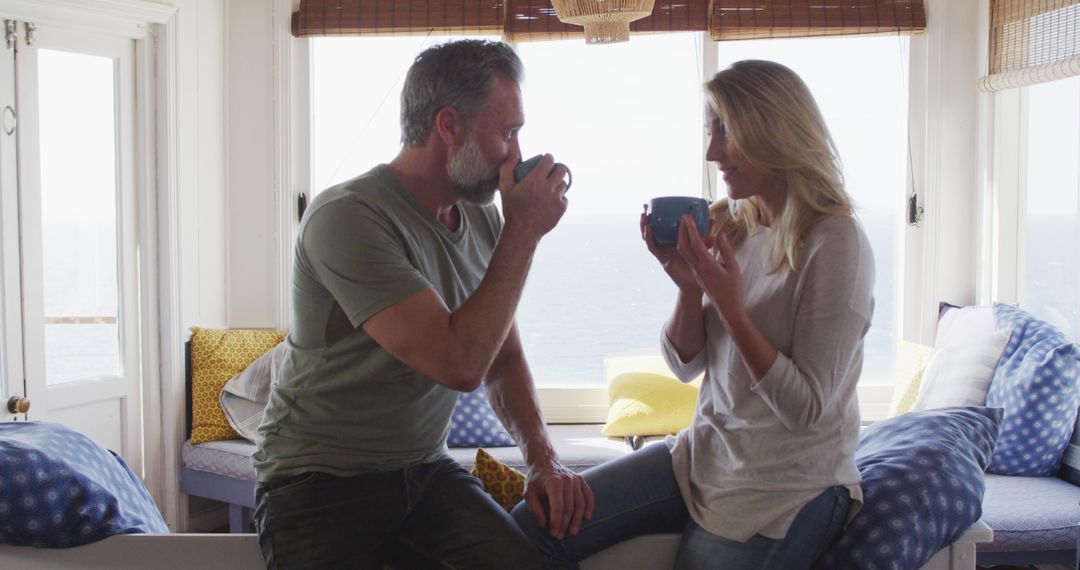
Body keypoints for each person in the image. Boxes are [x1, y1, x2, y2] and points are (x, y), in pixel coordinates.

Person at [512, 59, 875, 569]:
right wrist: (688, 286)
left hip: (786, 487)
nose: (712, 152)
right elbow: (685, 365)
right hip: (702, 457)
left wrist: (730, 307)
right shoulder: (732, 224)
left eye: (725, 131)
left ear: (772, 129)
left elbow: (805, 408)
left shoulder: (836, 243)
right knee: (528, 529)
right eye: (711, 131)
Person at [252, 39, 594, 570]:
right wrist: (525, 231)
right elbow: (459, 363)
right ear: (449, 126)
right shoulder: (347, 218)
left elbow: (502, 358)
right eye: (507, 133)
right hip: (318, 482)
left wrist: (543, 460)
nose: (516, 155)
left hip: (425, 472)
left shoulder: (482, 218)